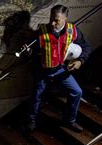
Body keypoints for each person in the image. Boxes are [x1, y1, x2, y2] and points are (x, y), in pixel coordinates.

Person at [26, 4, 91, 133]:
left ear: (65, 19)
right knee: (37, 95)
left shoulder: (73, 31)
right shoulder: (41, 31)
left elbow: (86, 46)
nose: (52, 23)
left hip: (60, 69)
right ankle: (31, 120)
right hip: (43, 70)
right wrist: (29, 52)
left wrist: (80, 61)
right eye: (51, 19)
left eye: (57, 20)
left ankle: (69, 120)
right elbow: (32, 51)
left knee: (77, 92)